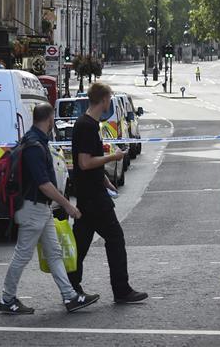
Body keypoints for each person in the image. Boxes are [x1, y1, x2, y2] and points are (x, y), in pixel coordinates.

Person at [0, 104, 99, 315]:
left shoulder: (33, 141)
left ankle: (70, 296)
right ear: (50, 119)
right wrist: (67, 205)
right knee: (22, 255)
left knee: (54, 253)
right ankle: (7, 299)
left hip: (41, 209)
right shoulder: (34, 147)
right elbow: (43, 184)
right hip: (33, 208)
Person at [67, 82, 147, 304]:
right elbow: (84, 162)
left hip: (90, 194)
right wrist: (114, 157)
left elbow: (88, 160)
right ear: (103, 100)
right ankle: (121, 290)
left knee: (80, 245)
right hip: (93, 198)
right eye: (109, 98)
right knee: (115, 239)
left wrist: (105, 180)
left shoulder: (89, 124)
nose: (109, 101)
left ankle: (71, 289)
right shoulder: (87, 126)